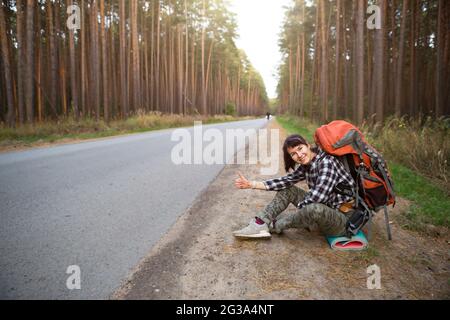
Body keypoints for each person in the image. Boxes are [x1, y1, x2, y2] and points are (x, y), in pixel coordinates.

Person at [233, 134, 356, 239]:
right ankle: (260, 223)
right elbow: (285, 181)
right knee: (288, 189)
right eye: (293, 154)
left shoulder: (326, 163)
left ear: (308, 145)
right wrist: (252, 184)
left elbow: (318, 198)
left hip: (343, 221)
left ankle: (276, 225)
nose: (299, 155)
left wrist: (299, 215)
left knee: (313, 208)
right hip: (327, 210)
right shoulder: (308, 165)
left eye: (300, 148)